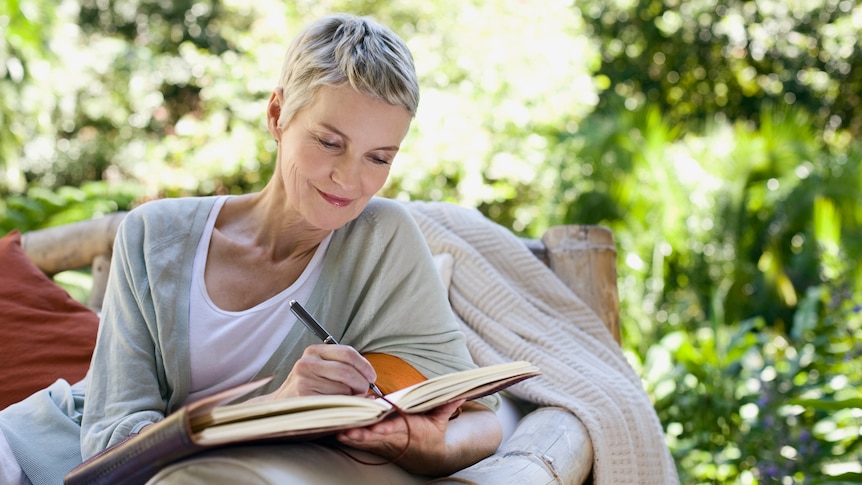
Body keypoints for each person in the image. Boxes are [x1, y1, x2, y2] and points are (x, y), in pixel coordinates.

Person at [0, 13, 502, 485]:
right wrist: (278, 409)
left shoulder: (382, 240)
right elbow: (112, 443)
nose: (350, 178)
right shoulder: (154, 235)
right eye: (329, 142)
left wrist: (422, 446)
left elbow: (480, 420)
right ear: (278, 114)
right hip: (38, 451)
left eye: (378, 157)